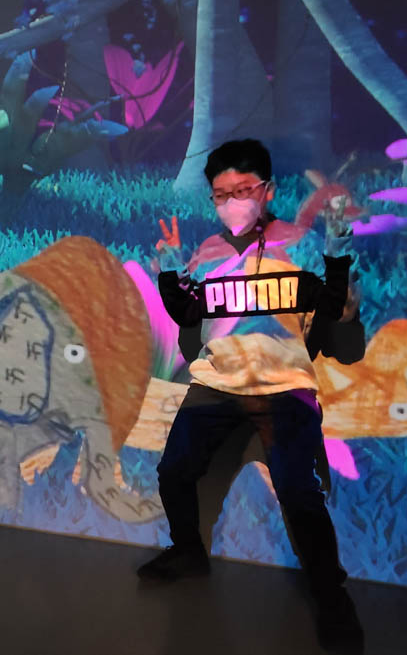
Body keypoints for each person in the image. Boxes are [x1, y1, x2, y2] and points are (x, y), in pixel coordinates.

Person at [138, 139, 365, 648]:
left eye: (243, 190)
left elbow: (333, 309)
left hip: (284, 388)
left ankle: (330, 595)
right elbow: (189, 314)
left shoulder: (300, 246)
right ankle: (188, 551)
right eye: (221, 195)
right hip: (216, 383)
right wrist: (171, 270)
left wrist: (337, 255)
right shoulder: (209, 254)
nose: (232, 203)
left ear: (268, 191)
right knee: (174, 471)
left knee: (298, 492)